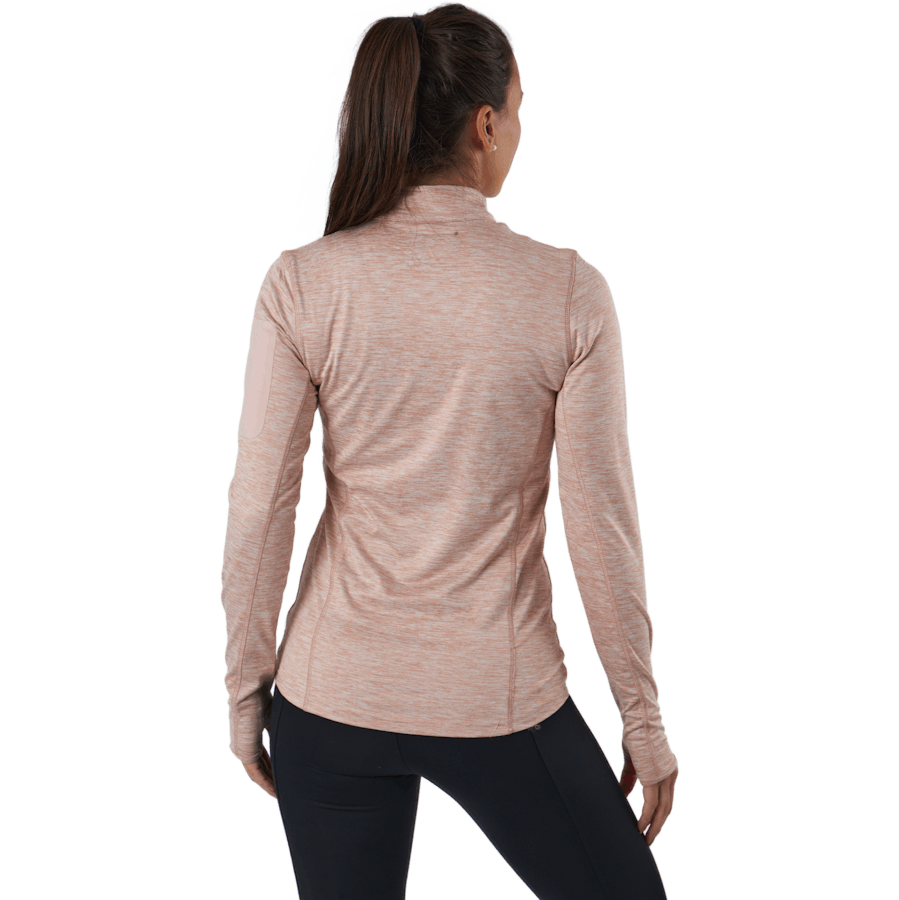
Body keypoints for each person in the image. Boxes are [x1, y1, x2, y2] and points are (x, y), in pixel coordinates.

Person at [219, 3, 680, 897]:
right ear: (485, 124)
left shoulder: (302, 284)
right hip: (497, 699)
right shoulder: (567, 292)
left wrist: (246, 692)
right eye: (521, 109)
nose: (520, 131)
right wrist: (642, 718)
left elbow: (259, 505)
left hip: (328, 699)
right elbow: (602, 529)